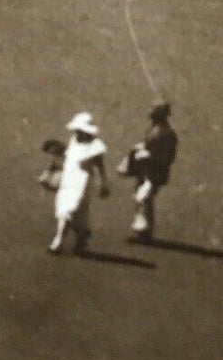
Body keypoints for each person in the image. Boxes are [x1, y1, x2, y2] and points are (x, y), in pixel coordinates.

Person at [49, 111, 110, 255]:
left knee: (69, 209)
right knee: (73, 212)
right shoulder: (73, 140)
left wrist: (104, 184)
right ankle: (82, 236)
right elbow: (69, 157)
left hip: (82, 182)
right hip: (69, 178)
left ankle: (58, 241)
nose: (76, 132)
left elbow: (101, 166)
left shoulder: (96, 147)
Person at [125, 102, 179, 243]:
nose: (149, 113)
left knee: (142, 197)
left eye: (153, 111)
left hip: (156, 173)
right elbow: (148, 144)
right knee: (144, 199)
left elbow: (168, 157)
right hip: (145, 171)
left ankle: (142, 227)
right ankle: (146, 232)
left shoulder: (167, 134)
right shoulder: (154, 129)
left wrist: (148, 155)